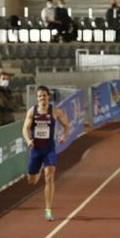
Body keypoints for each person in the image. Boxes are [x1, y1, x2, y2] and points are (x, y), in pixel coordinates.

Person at [21, 85, 70, 222]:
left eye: (44, 95)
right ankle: (38, 169)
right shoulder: (32, 111)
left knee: (49, 177)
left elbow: (66, 126)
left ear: (48, 96)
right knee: (32, 181)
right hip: (35, 149)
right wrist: (28, 140)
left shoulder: (55, 111)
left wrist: (64, 136)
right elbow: (25, 128)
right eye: (39, 96)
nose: (42, 98)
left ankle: (48, 209)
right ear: (37, 98)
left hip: (49, 148)